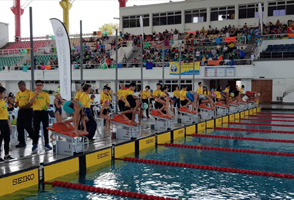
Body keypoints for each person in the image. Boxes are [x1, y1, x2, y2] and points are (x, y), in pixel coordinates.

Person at [29, 80, 52, 152]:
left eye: (40, 85)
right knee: (36, 129)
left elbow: (48, 104)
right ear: (35, 86)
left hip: (44, 112)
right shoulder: (32, 94)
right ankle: (35, 144)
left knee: (46, 128)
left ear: (42, 86)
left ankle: (47, 143)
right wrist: (36, 95)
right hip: (36, 112)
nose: (39, 87)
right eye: (37, 85)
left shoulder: (45, 94)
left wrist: (45, 107)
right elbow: (30, 102)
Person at [15, 81, 35, 148]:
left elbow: (31, 103)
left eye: (21, 86)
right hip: (21, 110)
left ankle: (34, 139)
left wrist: (25, 106)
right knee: (19, 126)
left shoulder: (29, 92)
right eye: (18, 86)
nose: (19, 88)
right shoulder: (18, 93)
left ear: (24, 85)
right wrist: (16, 104)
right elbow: (17, 102)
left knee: (27, 126)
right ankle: (21, 142)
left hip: (28, 110)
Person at [0, 86, 13, 162]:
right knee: (0, 140)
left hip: (5, 121)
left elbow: (6, 113)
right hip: (0, 122)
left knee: (7, 139)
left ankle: (6, 155)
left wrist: (9, 123)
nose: (5, 94)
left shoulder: (3, 101)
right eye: (4, 93)